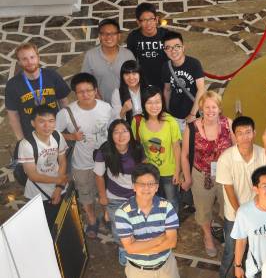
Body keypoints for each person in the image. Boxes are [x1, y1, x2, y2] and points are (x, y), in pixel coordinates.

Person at [114, 163, 187, 278]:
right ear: (134, 186)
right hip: (139, 269)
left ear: (156, 187)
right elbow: (129, 248)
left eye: (151, 184)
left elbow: (172, 242)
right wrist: (158, 240)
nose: (146, 188)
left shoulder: (166, 207)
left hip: (165, 263)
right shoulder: (123, 212)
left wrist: (141, 246)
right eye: (142, 184)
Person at [216, 116, 266, 278]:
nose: (244, 137)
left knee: (257, 245)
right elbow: (228, 189)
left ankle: (256, 276)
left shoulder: (262, 154)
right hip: (234, 214)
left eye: (248, 132)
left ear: (254, 133)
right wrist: (241, 213)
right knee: (231, 247)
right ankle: (225, 277)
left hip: (260, 211)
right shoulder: (226, 158)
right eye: (240, 133)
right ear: (234, 135)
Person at [56, 72, 112, 238]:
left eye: (89, 90)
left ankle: (107, 216)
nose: (85, 95)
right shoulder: (66, 113)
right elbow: (53, 134)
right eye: (81, 92)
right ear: (75, 93)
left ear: (95, 90)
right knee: (86, 194)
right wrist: (71, 137)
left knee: (106, 192)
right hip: (82, 163)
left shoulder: (106, 107)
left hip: (106, 161)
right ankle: (92, 220)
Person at [180, 91, 234, 257]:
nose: (210, 110)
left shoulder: (228, 124)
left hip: (225, 176)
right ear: (201, 108)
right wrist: (187, 177)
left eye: (214, 107)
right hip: (201, 174)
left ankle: (229, 234)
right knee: (203, 209)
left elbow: (238, 150)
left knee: (228, 207)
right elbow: (184, 155)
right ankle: (208, 236)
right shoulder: (192, 127)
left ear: (219, 108)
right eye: (207, 107)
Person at [95, 119, 145, 266]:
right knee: (119, 228)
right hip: (115, 197)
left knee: (137, 224)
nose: (121, 135)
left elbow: (144, 170)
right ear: (111, 135)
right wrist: (102, 197)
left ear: (130, 133)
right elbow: (98, 175)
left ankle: (137, 247)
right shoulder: (104, 151)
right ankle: (123, 248)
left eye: (124, 131)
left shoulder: (137, 148)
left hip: (136, 196)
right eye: (116, 132)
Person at [131, 86, 182, 212]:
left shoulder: (170, 121)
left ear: (162, 102)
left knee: (171, 200)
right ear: (143, 103)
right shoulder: (138, 122)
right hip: (149, 171)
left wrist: (177, 171)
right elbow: (135, 145)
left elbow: (176, 147)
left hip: (169, 171)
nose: (154, 106)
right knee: (154, 200)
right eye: (149, 102)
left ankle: (172, 222)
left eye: (157, 102)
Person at [6, 43, 70, 141]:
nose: (29, 62)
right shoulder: (12, 85)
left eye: (32, 57)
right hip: (31, 135)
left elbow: (63, 102)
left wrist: (67, 126)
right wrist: (21, 140)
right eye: (24, 59)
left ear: (38, 58)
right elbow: (13, 115)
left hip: (56, 130)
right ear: (19, 62)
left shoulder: (52, 76)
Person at [16, 105, 68, 222]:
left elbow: (62, 161)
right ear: (33, 123)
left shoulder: (57, 135)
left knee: (64, 223)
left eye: (51, 121)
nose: (47, 126)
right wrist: (58, 180)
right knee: (45, 224)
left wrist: (59, 188)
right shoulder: (26, 144)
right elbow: (33, 175)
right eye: (41, 121)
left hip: (60, 189)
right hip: (38, 194)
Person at [81, 19, 136, 102]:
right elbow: (86, 81)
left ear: (119, 36)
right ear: (99, 36)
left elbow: (135, 79)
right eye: (104, 34)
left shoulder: (128, 55)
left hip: (126, 103)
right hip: (100, 103)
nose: (109, 37)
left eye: (113, 33)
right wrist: (99, 101)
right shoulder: (90, 55)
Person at [161, 31, 206, 129]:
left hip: (194, 114)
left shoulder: (194, 64)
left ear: (183, 47)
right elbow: (167, 89)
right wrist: (167, 110)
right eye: (168, 48)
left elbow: (201, 89)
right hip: (175, 114)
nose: (173, 51)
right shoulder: (166, 66)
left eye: (177, 46)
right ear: (164, 50)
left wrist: (193, 114)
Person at [126, 2, 168, 87]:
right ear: (138, 22)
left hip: (166, 80)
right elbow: (131, 61)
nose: (148, 23)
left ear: (156, 19)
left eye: (151, 19)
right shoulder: (133, 37)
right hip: (144, 81)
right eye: (144, 20)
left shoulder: (166, 35)